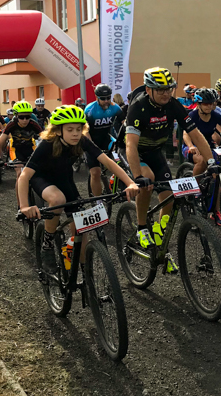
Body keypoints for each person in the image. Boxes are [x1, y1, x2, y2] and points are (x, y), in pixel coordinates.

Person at [18, 105, 139, 272]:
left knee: (81, 228)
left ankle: (85, 273)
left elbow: (108, 162)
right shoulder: (47, 144)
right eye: (70, 129)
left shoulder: (81, 140)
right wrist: (25, 206)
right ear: (58, 131)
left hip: (65, 180)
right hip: (42, 179)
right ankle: (47, 244)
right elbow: (24, 176)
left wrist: (130, 182)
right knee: (58, 200)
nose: (75, 133)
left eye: (78, 129)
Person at [126, 67, 215, 263]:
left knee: (169, 197)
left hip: (155, 152)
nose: (166, 93)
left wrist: (211, 162)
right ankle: (141, 227)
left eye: (169, 89)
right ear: (149, 90)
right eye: (161, 90)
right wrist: (137, 176)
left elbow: (195, 135)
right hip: (137, 153)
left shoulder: (174, 105)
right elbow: (130, 145)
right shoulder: (138, 107)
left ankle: (159, 235)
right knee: (147, 180)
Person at [183, 88, 221, 175]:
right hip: (193, 146)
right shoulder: (192, 116)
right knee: (202, 161)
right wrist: (190, 146)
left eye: (211, 103)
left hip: (209, 145)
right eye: (206, 104)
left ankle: (217, 186)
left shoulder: (215, 115)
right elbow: (185, 134)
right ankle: (195, 186)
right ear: (199, 104)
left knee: (220, 164)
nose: (209, 106)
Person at [84, 84, 125, 196]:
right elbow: (85, 130)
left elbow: (124, 123)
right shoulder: (89, 110)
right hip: (91, 140)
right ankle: (97, 201)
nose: (106, 101)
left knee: (119, 161)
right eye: (103, 98)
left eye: (108, 98)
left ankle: (115, 182)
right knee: (95, 172)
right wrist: (91, 146)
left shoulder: (115, 107)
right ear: (97, 98)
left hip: (106, 139)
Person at [0, 101, 42, 184]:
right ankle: (20, 196)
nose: (25, 120)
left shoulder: (33, 124)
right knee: (20, 174)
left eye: (28, 117)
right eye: (21, 117)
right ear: (16, 116)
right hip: (16, 150)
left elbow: (45, 138)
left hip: (30, 148)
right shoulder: (11, 125)